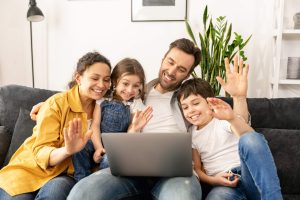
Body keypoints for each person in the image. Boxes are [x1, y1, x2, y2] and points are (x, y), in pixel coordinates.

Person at [30, 38, 203, 200]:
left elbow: (214, 116)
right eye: (170, 62)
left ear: (187, 75)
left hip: (174, 174)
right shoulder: (138, 91)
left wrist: (232, 96)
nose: (172, 72)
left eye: (181, 69)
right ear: (163, 59)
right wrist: (48, 104)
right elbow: (89, 91)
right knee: (82, 193)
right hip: (129, 169)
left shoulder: (190, 97)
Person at [0, 51, 112, 199]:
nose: (102, 85)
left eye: (106, 80)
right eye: (95, 78)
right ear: (78, 78)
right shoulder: (56, 103)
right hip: (29, 169)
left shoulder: (102, 108)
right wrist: (67, 150)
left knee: (55, 193)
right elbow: (40, 152)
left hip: (64, 174)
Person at [177, 57, 283, 200]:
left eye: (195, 103)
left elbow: (247, 135)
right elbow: (197, 170)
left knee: (250, 138)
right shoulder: (191, 134)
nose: (190, 110)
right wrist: (214, 180)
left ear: (209, 102)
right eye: (185, 107)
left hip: (251, 176)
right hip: (224, 185)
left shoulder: (222, 118)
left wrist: (238, 100)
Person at [72, 58, 153, 181]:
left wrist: (135, 129)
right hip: (98, 141)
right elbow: (95, 125)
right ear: (115, 82)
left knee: (110, 159)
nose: (130, 90)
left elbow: (131, 136)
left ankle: (97, 180)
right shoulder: (104, 99)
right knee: (79, 147)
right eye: (125, 84)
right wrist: (98, 147)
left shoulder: (135, 104)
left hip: (118, 148)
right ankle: (81, 179)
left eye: (136, 86)